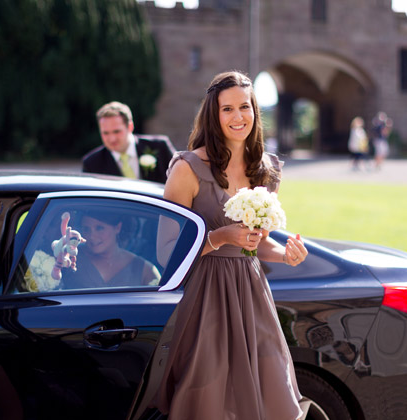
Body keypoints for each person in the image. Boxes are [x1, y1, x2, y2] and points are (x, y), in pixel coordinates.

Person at [154, 71, 308, 420]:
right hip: (204, 295)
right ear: (214, 114)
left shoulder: (266, 171)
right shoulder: (188, 168)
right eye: (227, 109)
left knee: (269, 388)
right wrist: (220, 237)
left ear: (255, 110)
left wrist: (285, 254)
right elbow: (166, 249)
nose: (238, 117)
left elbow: (257, 244)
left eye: (245, 107)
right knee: (209, 393)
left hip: (252, 295)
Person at [82, 101, 176, 183]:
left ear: (130, 126)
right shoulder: (92, 163)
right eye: (105, 133)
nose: (112, 139)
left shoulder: (160, 147)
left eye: (117, 131)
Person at [62, 210, 161, 289]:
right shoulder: (69, 258)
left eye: (99, 228)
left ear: (117, 228)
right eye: (86, 229)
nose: (91, 236)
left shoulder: (145, 270)